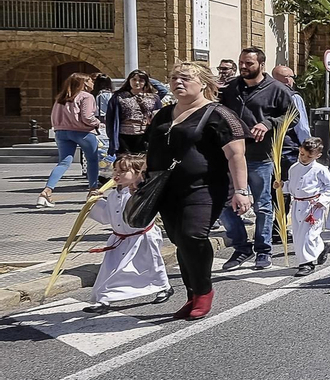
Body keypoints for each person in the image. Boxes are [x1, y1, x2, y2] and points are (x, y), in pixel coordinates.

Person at [146, 61, 251, 319]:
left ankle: (204, 292)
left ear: (203, 83)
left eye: (185, 79)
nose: (177, 83)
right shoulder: (163, 114)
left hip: (204, 188)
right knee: (180, 241)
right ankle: (192, 294)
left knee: (193, 235)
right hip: (165, 189)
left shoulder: (220, 114)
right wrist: (140, 176)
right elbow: (151, 149)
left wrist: (241, 190)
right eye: (173, 78)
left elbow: (236, 155)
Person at [218, 47, 296, 271]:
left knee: (262, 205)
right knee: (225, 203)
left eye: (249, 63)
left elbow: (293, 116)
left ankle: (264, 250)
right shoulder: (232, 88)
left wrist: (268, 123)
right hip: (230, 156)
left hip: (260, 157)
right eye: (241, 62)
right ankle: (242, 247)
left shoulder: (277, 89)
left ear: (261, 65)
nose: (243, 67)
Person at [82, 153, 173, 314]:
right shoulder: (113, 195)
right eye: (115, 170)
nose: (116, 174)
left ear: (138, 173)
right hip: (119, 239)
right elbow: (106, 217)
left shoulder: (142, 193)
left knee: (151, 266)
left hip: (142, 238)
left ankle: (163, 286)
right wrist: (95, 202)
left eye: (122, 171)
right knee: (110, 268)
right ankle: (104, 298)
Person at [38, 72, 102, 207]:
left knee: (63, 162)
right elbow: (87, 117)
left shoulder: (61, 98)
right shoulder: (87, 97)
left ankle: (47, 191)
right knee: (92, 160)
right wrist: (98, 123)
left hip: (61, 132)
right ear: (84, 83)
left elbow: (53, 116)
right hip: (82, 132)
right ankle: (93, 190)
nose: (92, 83)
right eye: (90, 81)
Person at [284, 137, 330, 275]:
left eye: (309, 156)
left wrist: (323, 200)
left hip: (313, 206)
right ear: (300, 150)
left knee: (308, 235)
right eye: (302, 154)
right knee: (298, 235)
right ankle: (320, 247)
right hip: (297, 204)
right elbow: (291, 186)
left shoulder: (320, 169)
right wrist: (281, 186)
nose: (305, 158)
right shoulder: (294, 168)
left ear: (317, 156)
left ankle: (307, 264)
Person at [105, 70, 171, 156]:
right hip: (124, 136)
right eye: (134, 79)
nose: (137, 83)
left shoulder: (153, 98)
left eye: (141, 80)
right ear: (129, 80)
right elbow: (110, 118)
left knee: (141, 162)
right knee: (124, 163)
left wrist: (146, 77)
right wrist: (111, 137)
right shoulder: (118, 97)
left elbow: (159, 117)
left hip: (144, 135)